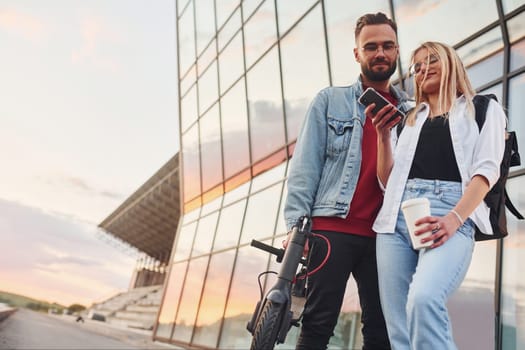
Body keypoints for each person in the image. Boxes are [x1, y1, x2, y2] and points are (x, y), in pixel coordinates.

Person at [283, 12, 413, 350]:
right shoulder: (330, 101)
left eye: (387, 46)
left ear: (397, 50)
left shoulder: (413, 113)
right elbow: (304, 167)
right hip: (331, 230)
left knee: (381, 332)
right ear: (357, 54)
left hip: (385, 236)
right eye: (371, 47)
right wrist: (297, 229)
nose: (380, 53)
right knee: (317, 325)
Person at [370, 41, 506, 349]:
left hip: (452, 212)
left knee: (424, 298)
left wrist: (455, 218)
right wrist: (382, 137)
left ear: (451, 63)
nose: (423, 68)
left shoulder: (483, 109)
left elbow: (486, 173)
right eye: (416, 66)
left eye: (431, 60)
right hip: (396, 221)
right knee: (400, 331)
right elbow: (387, 183)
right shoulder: (408, 120)